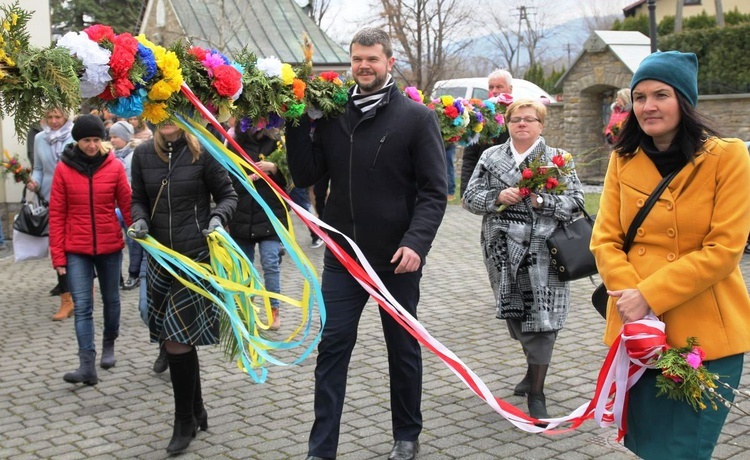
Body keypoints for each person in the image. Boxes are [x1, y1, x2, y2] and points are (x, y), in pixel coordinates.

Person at [286, 27, 447, 460]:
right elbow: (305, 176)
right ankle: (321, 450)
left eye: (372, 59)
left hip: (396, 259)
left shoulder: (416, 118)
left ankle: (407, 434)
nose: (363, 66)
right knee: (333, 345)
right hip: (343, 255)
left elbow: (435, 190)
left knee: (402, 346)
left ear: (389, 62)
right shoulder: (336, 115)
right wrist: (297, 119)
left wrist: (416, 243)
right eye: (357, 59)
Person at [590, 51, 750, 460]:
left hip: (704, 336)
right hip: (638, 337)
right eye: (640, 97)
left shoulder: (728, 156)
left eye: (660, 94)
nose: (648, 106)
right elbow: (604, 240)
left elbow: (724, 249)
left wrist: (650, 295)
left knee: (683, 451)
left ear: (684, 100)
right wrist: (635, 304)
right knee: (645, 447)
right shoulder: (622, 161)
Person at [462, 99, 584, 419]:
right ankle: (533, 372)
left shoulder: (558, 159)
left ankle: (537, 392)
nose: (522, 125)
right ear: (507, 124)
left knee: (542, 320)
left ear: (541, 125)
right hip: (501, 252)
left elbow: (575, 202)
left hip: (544, 251)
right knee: (517, 318)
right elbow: (469, 198)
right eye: (516, 119)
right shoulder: (491, 157)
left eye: (530, 119)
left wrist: (542, 199)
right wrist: (497, 197)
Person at [128, 122, 237, 455]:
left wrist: (217, 218)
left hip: (196, 259)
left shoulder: (202, 151)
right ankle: (198, 408)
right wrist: (141, 219)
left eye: (174, 111)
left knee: (176, 340)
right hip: (162, 259)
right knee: (176, 339)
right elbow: (137, 199)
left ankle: (183, 421)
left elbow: (228, 195)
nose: (167, 120)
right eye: (160, 113)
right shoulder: (143, 154)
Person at [48, 114, 132, 384]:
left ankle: (109, 343)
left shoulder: (115, 167)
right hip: (76, 248)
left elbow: (128, 206)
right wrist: (58, 256)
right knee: (83, 306)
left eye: (97, 140)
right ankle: (87, 364)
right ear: (78, 141)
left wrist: (141, 236)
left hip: (109, 246)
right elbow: (57, 214)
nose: (92, 145)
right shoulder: (63, 169)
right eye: (87, 140)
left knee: (111, 300)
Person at [228, 125, 288, 331]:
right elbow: (226, 178)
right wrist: (246, 179)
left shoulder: (279, 141)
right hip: (242, 213)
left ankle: (274, 310)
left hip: (270, 213)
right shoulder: (235, 142)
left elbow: (291, 179)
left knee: (270, 262)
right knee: (245, 266)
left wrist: (274, 169)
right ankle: (248, 310)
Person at [27, 107, 75, 320]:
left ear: (66, 117)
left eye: (58, 117)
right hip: (49, 198)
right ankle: (66, 298)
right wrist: (34, 181)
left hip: (74, 196)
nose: (54, 121)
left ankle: (82, 290)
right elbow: (38, 167)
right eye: (50, 117)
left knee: (76, 244)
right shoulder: (39, 138)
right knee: (59, 247)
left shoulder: (76, 134)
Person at [459, 68, 513, 198]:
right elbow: (470, 157)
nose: (494, 91)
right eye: (491, 87)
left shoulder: (519, 113)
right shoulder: (479, 117)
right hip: (486, 188)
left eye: (499, 87)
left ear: (510, 89)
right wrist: (465, 190)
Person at [109, 120, 143, 290]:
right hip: (114, 206)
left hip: (130, 204)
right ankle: (116, 276)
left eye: (115, 137)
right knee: (115, 241)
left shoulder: (134, 155)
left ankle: (134, 273)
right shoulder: (111, 156)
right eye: (111, 137)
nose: (112, 140)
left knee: (133, 242)